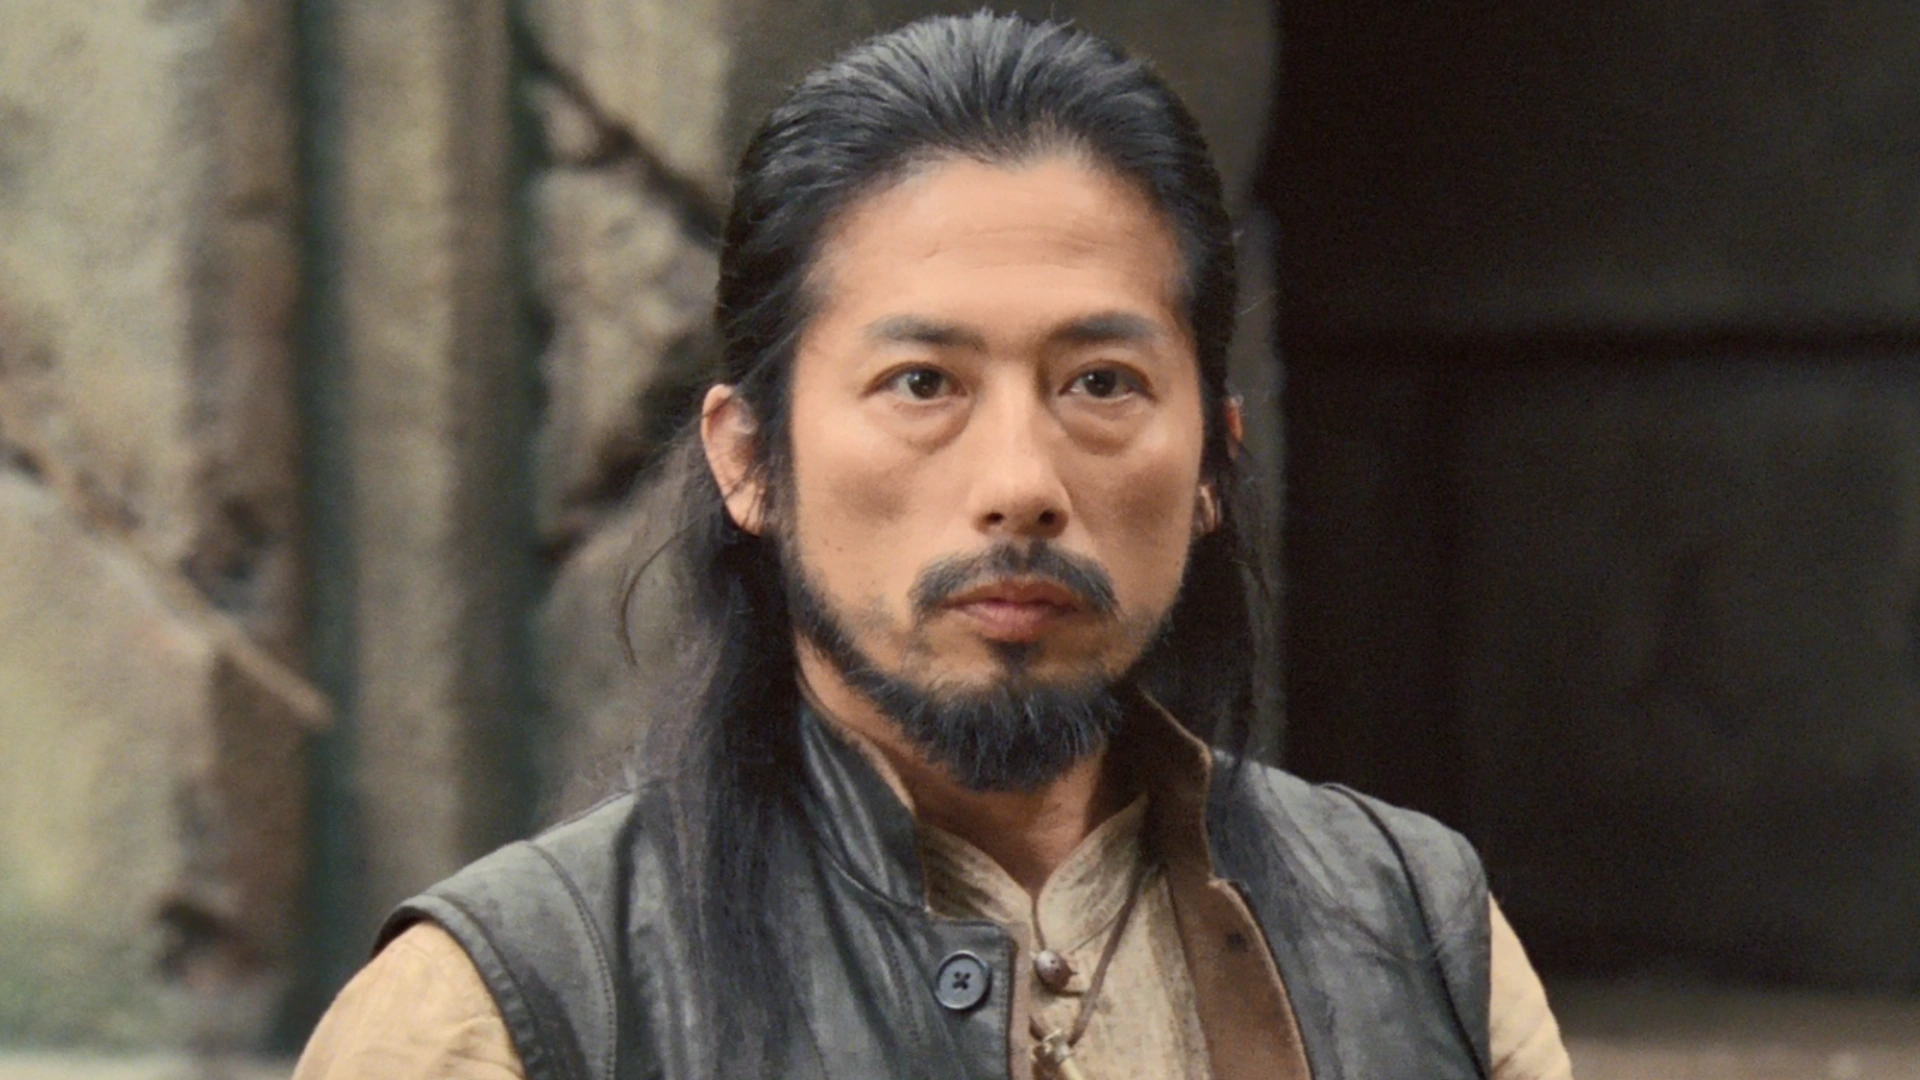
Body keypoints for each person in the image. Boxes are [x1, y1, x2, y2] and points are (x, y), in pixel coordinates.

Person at [293, 12, 1573, 1080]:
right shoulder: (509, 1011)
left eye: (1102, 382)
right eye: (921, 384)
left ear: (1211, 464)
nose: (1020, 486)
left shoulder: (1410, 937)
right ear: (749, 459)